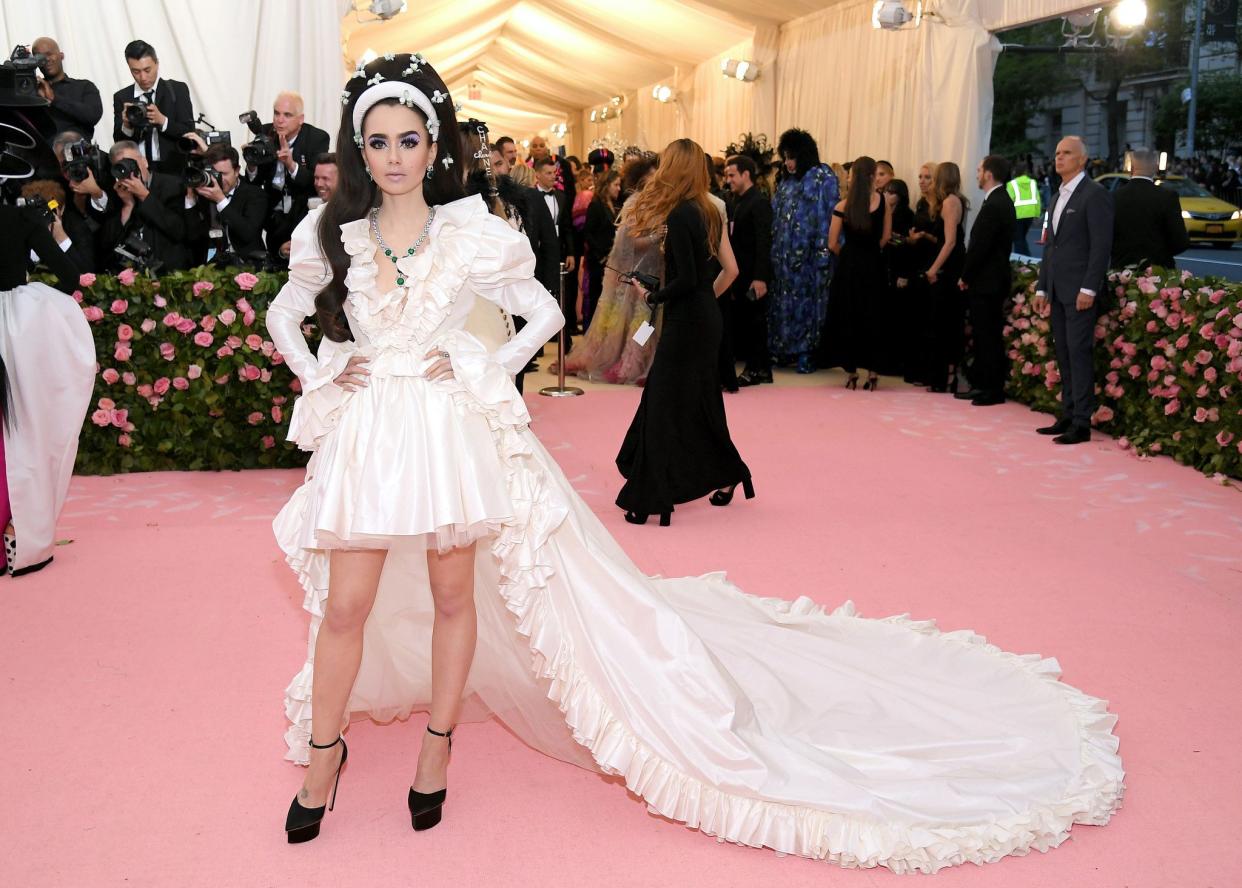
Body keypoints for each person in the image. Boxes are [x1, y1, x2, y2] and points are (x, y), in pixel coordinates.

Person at [263, 55, 1123, 871]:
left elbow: (538, 313)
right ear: (356, 147)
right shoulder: (331, 229)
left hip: (448, 430)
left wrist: (477, 361)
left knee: (456, 594)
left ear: (434, 142)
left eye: (408, 140)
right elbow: (283, 316)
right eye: (375, 142)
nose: (393, 157)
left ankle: (437, 750)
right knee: (347, 607)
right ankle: (324, 758)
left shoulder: (471, 231)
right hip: (373, 430)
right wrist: (328, 367)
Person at [615, 138, 748, 525]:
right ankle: (728, 473)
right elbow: (730, 271)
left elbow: (688, 278)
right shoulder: (710, 211)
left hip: (688, 321)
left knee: (661, 404)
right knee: (700, 401)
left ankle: (649, 496)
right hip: (703, 319)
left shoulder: (681, 215)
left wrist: (655, 295)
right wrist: (705, 302)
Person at [0, 198, 95, 577]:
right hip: (18, 331)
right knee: (23, 435)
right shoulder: (19, 216)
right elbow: (70, 276)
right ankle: (19, 535)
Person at [1034, 136, 1114, 445]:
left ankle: (1082, 421)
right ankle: (1068, 414)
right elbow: (1050, 247)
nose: (1059, 158)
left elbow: (1100, 247)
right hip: (1057, 289)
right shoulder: (1057, 196)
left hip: (1080, 291)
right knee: (1064, 353)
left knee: (1079, 353)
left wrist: (1089, 288)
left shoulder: (1094, 195)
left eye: (1067, 153)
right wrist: (1043, 288)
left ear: (1082, 160)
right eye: (1056, 153)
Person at [561, 158, 662, 384]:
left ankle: (644, 361)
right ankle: (630, 362)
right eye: (652, 175)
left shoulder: (657, 201)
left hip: (654, 271)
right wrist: (659, 236)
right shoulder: (636, 203)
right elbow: (633, 241)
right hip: (637, 275)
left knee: (648, 319)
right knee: (640, 319)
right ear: (642, 178)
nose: (657, 179)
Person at [769, 128, 838, 374]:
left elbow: (827, 217)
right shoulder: (786, 183)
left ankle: (807, 352)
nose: (787, 163)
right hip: (783, 260)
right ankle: (785, 348)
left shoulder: (822, 178)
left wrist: (822, 254)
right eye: (785, 157)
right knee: (784, 304)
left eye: (792, 157)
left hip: (810, 260)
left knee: (808, 306)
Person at [826, 156, 892, 391]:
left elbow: (832, 243)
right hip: (873, 265)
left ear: (852, 177)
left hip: (849, 267)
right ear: (874, 176)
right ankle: (873, 372)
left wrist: (848, 254)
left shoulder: (842, 205)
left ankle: (851, 371)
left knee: (849, 315)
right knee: (873, 316)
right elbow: (886, 237)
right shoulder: (882, 202)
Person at [957, 155, 1017, 406]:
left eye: (980, 169)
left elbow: (981, 246)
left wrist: (965, 275)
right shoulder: (999, 200)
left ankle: (992, 389)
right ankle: (983, 385)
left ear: (989, 174)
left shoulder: (995, 204)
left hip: (987, 281)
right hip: (990, 279)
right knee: (984, 336)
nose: (976, 173)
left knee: (987, 336)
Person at [250, 92, 331, 265]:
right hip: (273, 215)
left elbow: (314, 183)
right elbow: (255, 182)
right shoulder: (265, 132)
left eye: (287, 115)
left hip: (303, 213)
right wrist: (252, 165)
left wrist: (290, 164)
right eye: (276, 113)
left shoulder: (316, 138)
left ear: (300, 119)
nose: (279, 120)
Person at [97, 140, 193, 272]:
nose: (128, 171)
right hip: (132, 275)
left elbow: (178, 230)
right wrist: (127, 206)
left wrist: (144, 195)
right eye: (120, 167)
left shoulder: (173, 185)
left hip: (169, 272)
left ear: (145, 161)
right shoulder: (117, 193)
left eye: (131, 163)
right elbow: (107, 242)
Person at [725, 155, 774, 387]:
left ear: (746, 174)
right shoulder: (737, 201)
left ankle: (756, 369)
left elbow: (764, 242)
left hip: (754, 274)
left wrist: (760, 277)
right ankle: (761, 369)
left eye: (732, 175)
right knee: (748, 321)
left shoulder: (759, 202)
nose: (728, 180)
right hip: (740, 274)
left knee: (755, 322)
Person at [111, 40, 195, 174]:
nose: (143, 77)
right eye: (136, 71)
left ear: (157, 63)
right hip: (138, 171)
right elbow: (119, 144)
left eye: (147, 70)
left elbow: (189, 132)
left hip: (173, 169)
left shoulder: (177, 90)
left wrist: (163, 121)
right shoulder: (122, 97)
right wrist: (127, 126)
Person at [921, 162, 967, 393]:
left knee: (942, 323)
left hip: (948, 270)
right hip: (951, 267)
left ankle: (942, 379)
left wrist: (933, 269)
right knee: (945, 323)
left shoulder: (950, 202)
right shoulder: (954, 200)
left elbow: (950, 242)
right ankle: (943, 377)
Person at [1111, 148, 1188, 269]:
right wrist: (1160, 253)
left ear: (1131, 167)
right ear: (1156, 168)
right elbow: (1180, 241)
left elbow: (1104, 237)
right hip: (1159, 270)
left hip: (1121, 269)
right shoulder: (1168, 197)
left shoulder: (1114, 197)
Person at [189, 144, 268, 260]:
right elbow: (191, 234)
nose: (219, 179)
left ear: (236, 171)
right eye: (215, 174)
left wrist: (221, 200)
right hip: (210, 263)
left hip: (246, 262)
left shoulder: (255, 194)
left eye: (224, 174)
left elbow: (248, 233)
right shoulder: (204, 193)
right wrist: (190, 197)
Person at [532, 155, 575, 348]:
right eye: (548, 173)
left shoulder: (561, 197)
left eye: (554, 173)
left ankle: (563, 340)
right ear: (538, 175)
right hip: (537, 252)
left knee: (560, 293)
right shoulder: (530, 196)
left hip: (557, 249)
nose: (553, 177)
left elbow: (567, 227)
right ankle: (537, 345)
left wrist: (571, 252)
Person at [904, 163, 939, 385]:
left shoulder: (943, 205)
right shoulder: (919, 204)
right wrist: (911, 238)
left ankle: (928, 371)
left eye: (927, 177)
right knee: (915, 319)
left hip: (934, 264)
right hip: (917, 263)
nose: (922, 181)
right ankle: (914, 369)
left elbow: (945, 241)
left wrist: (926, 237)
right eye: (920, 177)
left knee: (930, 319)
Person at [32, 37, 102, 142]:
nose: (46, 60)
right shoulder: (32, 92)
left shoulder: (84, 86)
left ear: (61, 55)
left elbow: (92, 116)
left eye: (49, 54)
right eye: (40, 58)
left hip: (77, 153)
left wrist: (55, 99)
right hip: (43, 155)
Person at [581, 168, 620, 327]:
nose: (619, 188)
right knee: (596, 297)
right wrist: (601, 255)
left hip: (609, 260)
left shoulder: (613, 205)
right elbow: (588, 233)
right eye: (616, 184)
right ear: (607, 185)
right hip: (599, 260)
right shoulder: (596, 205)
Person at [1007, 160, 1042, 254]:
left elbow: (1008, 202)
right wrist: (1037, 215)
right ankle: (1026, 260)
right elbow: (1037, 199)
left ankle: (1022, 262)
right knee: (1021, 239)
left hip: (1017, 215)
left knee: (1018, 241)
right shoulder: (1032, 183)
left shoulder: (1012, 184)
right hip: (1029, 214)